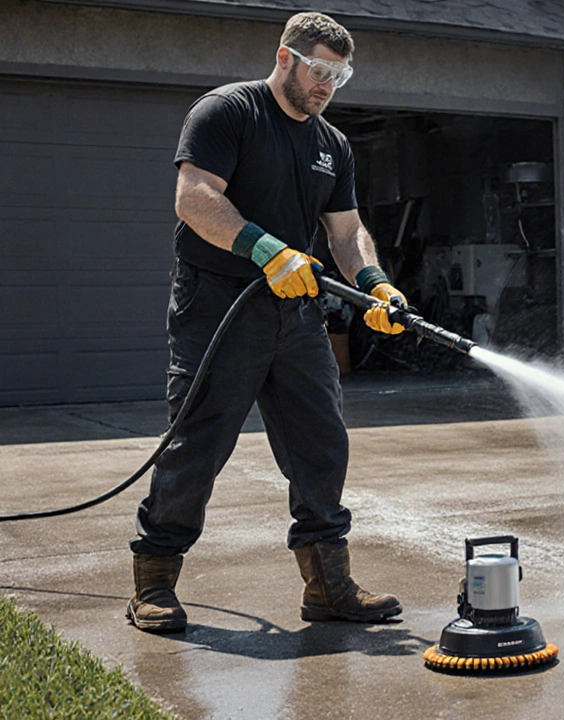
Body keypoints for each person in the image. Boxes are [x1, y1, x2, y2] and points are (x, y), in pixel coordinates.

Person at [126, 12, 407, 632]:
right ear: (286, 58)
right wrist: (266, 249)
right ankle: (154, 578)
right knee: (197, 446)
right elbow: (195, 197)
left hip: (296, 315)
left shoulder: (331, 144)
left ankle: (327, 585)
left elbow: (346, 230)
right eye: (319, 69)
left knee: (321, 446)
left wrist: (374, 283)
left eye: (340, 73)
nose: (328, 84)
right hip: (217, 306)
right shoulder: (228, 112)